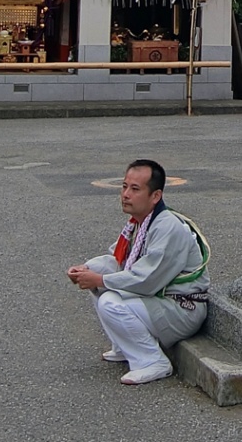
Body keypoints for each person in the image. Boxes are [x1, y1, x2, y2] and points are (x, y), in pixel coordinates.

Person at [66, 159, 209, 385]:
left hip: (182, 308)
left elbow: (146, 280)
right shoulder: (139, 223)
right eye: (124, 187)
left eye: (135, 189)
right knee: (98, 274)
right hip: (161, 299)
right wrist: (87, 269)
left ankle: (152, 361)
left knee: (109, 302)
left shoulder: (168, 227)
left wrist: (99, 279)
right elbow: (119, 261)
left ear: (155, 196)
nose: (125, 195)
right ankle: (125, 347)